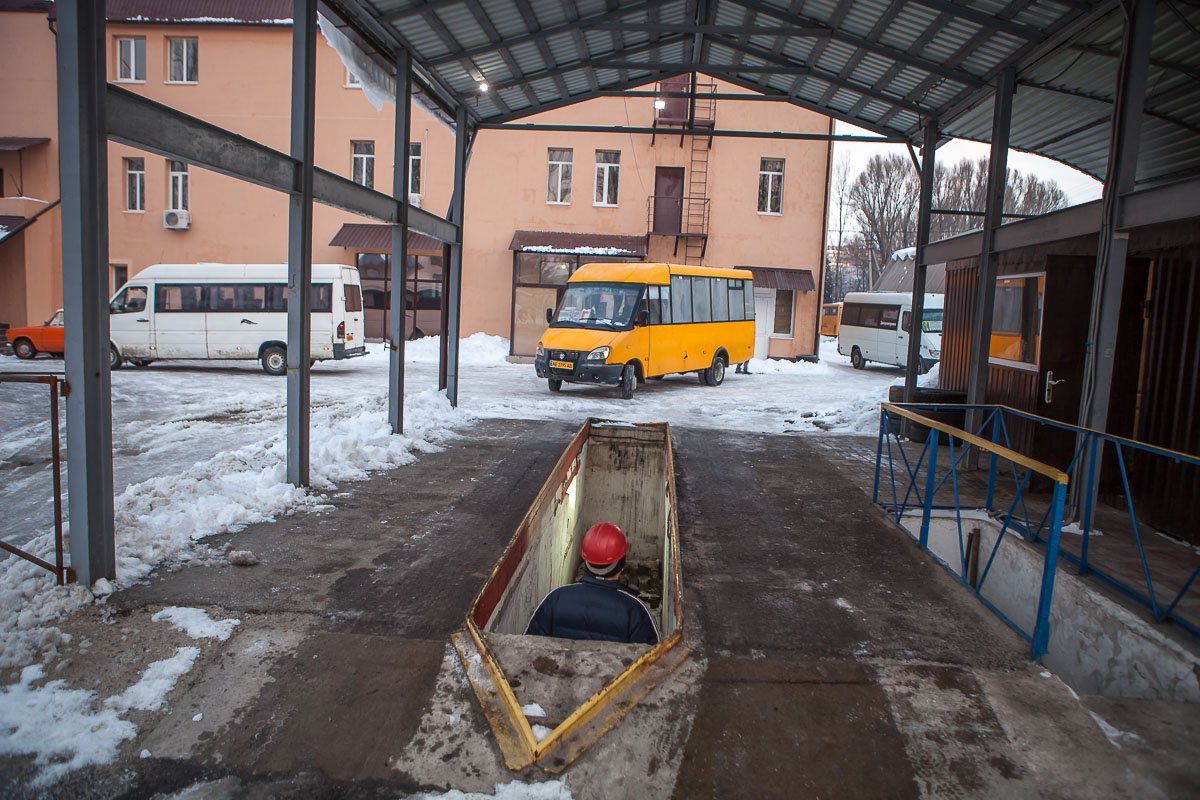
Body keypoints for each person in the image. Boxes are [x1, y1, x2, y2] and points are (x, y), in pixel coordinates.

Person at [525, 522, 661, 645]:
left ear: (586, 559)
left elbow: (528, 646)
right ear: (621, 563)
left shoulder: (556, 597)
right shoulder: (635, 610)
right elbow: (652, 663)